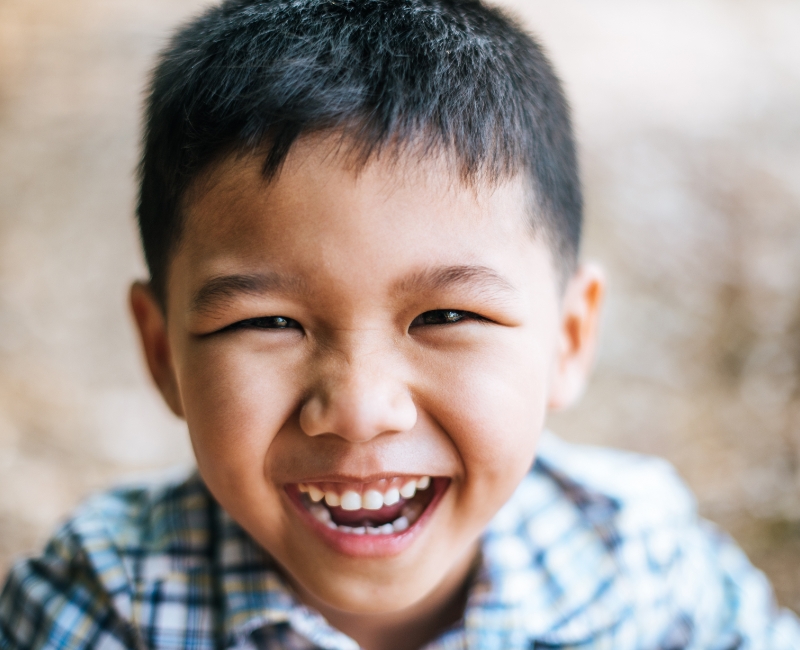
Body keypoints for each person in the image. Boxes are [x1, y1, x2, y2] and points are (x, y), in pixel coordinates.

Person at [1, 0, 798, 648]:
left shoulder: (640, 563)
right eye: (269, 322)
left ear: (569, 338)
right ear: (160, 350)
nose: (359, 408)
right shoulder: (109, 600)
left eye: (446, 315)